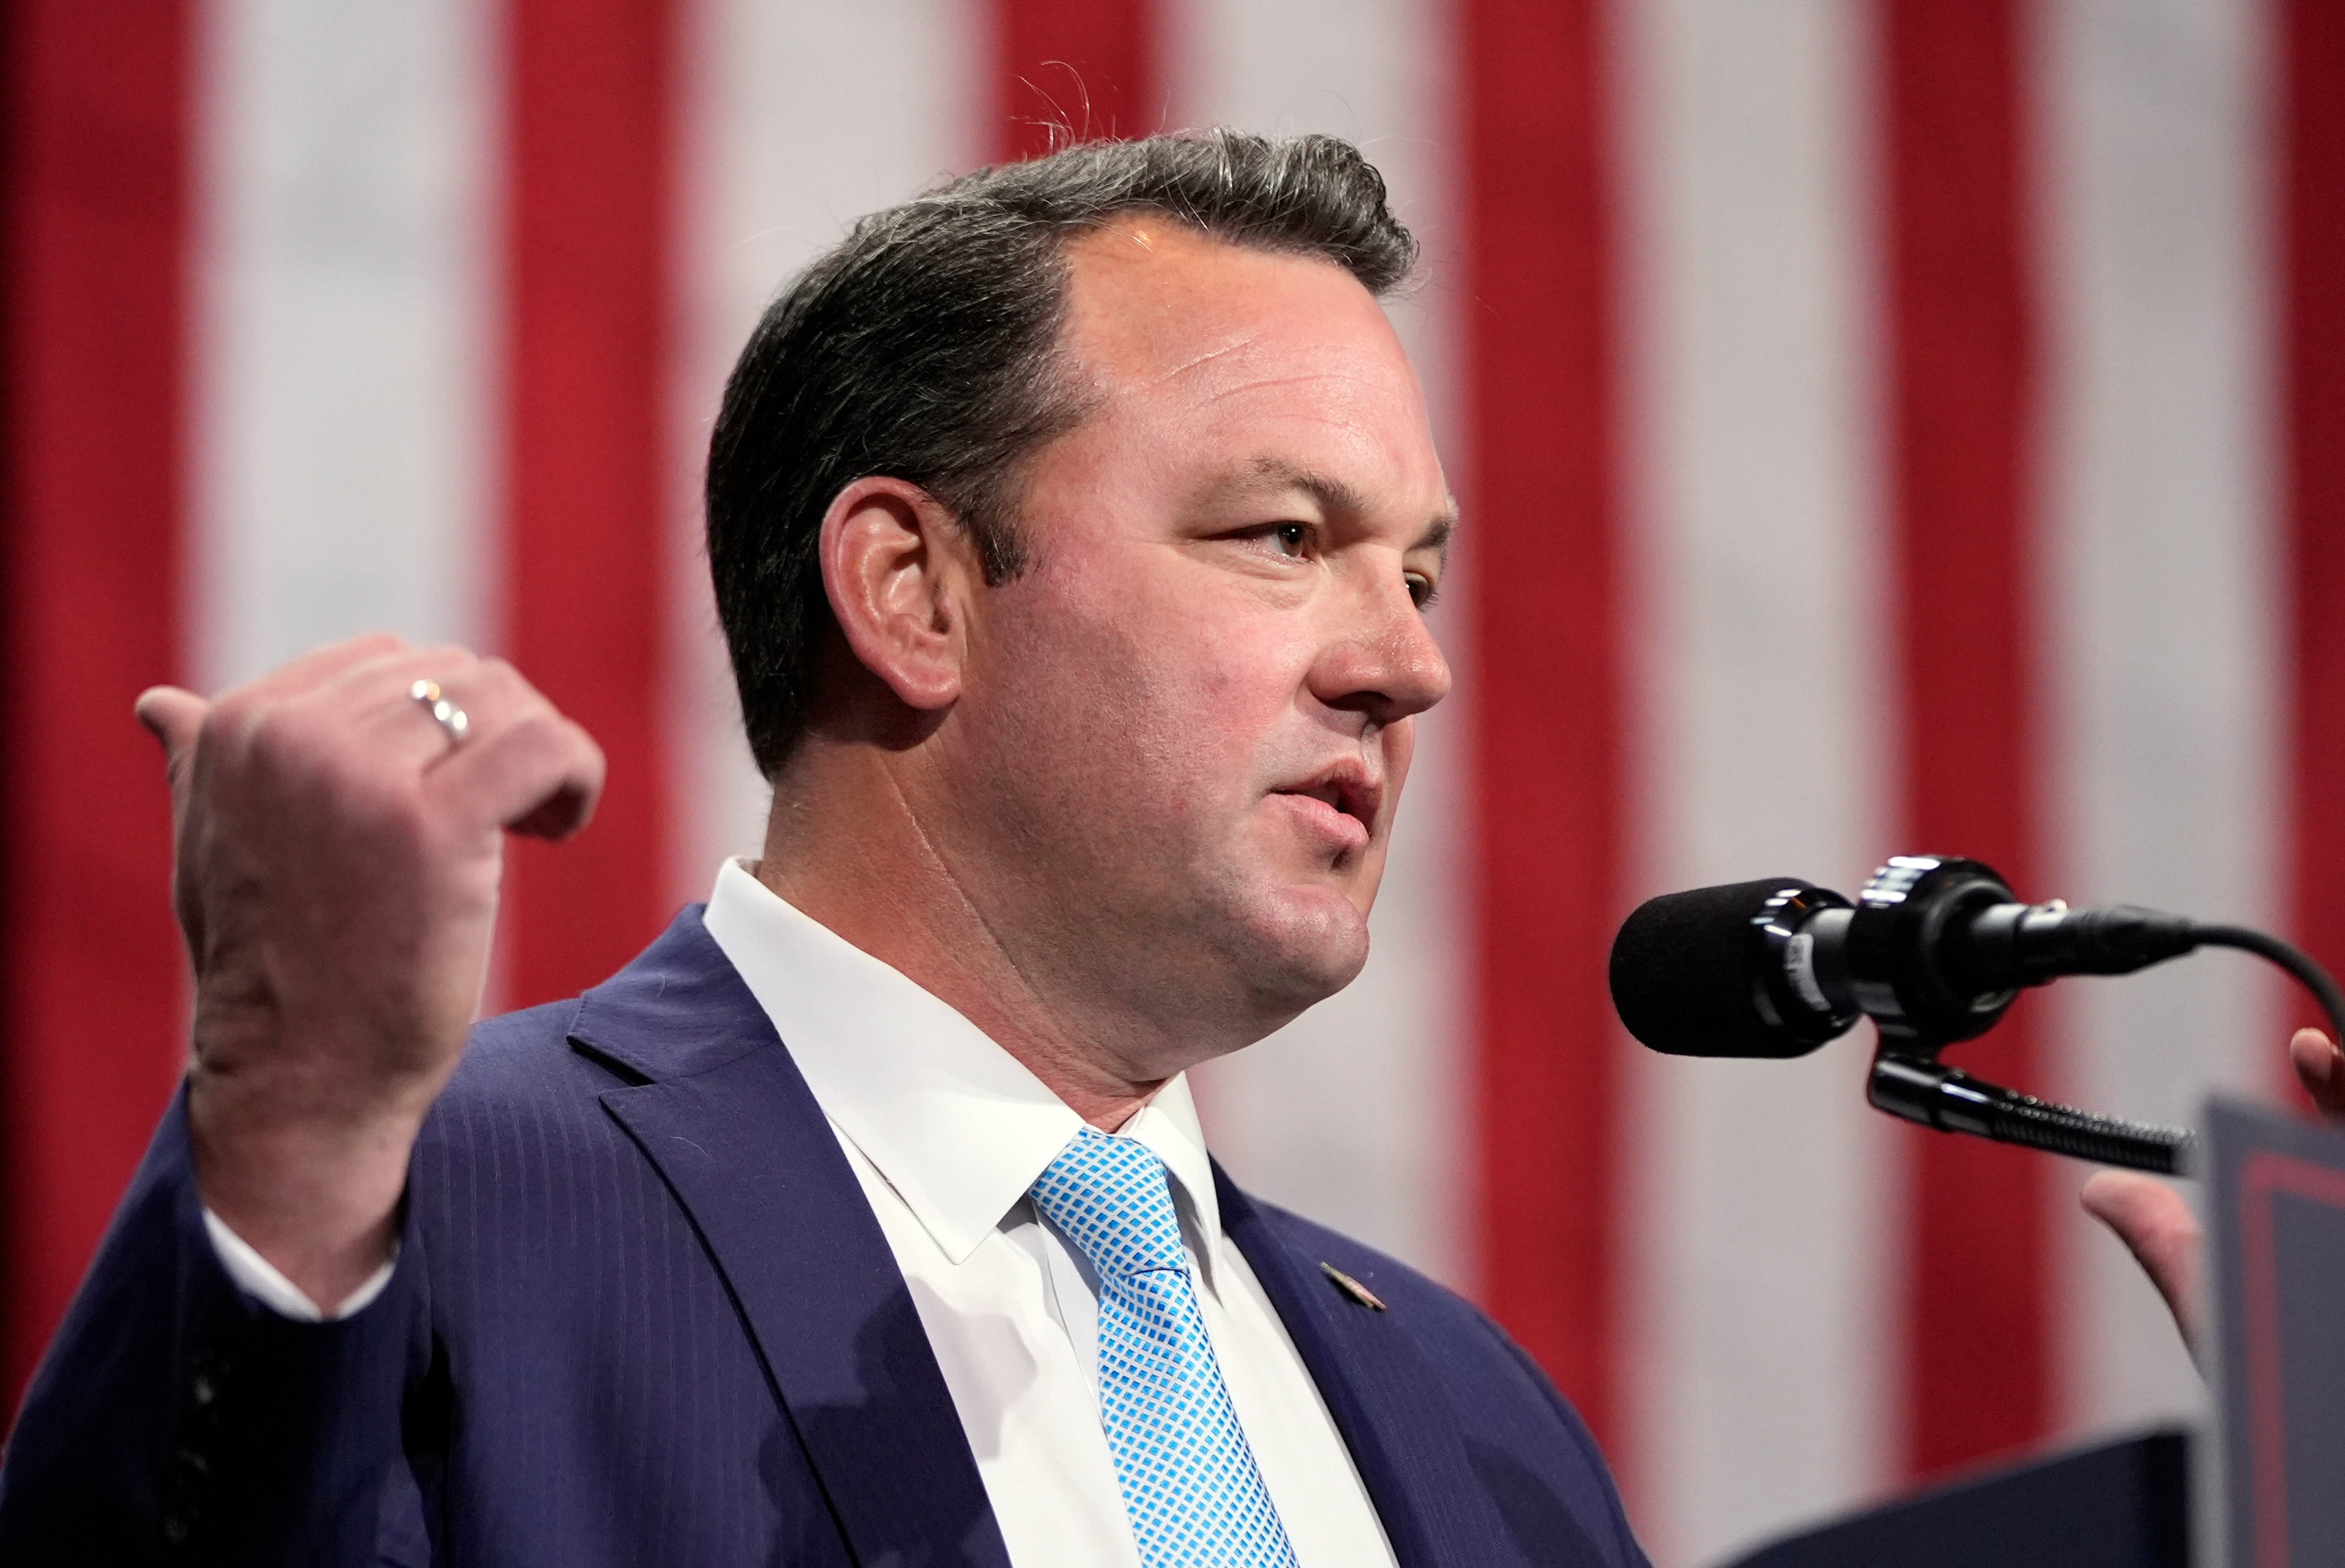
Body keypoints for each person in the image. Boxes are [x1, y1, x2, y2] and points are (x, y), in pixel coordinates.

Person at [0, 132, 1648, 1566]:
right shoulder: (421, 1215)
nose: (1407, 666)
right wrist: (293, 1124)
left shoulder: (1480, 1419)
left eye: (1417, 578)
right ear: (913, 595)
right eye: (1285, 537)